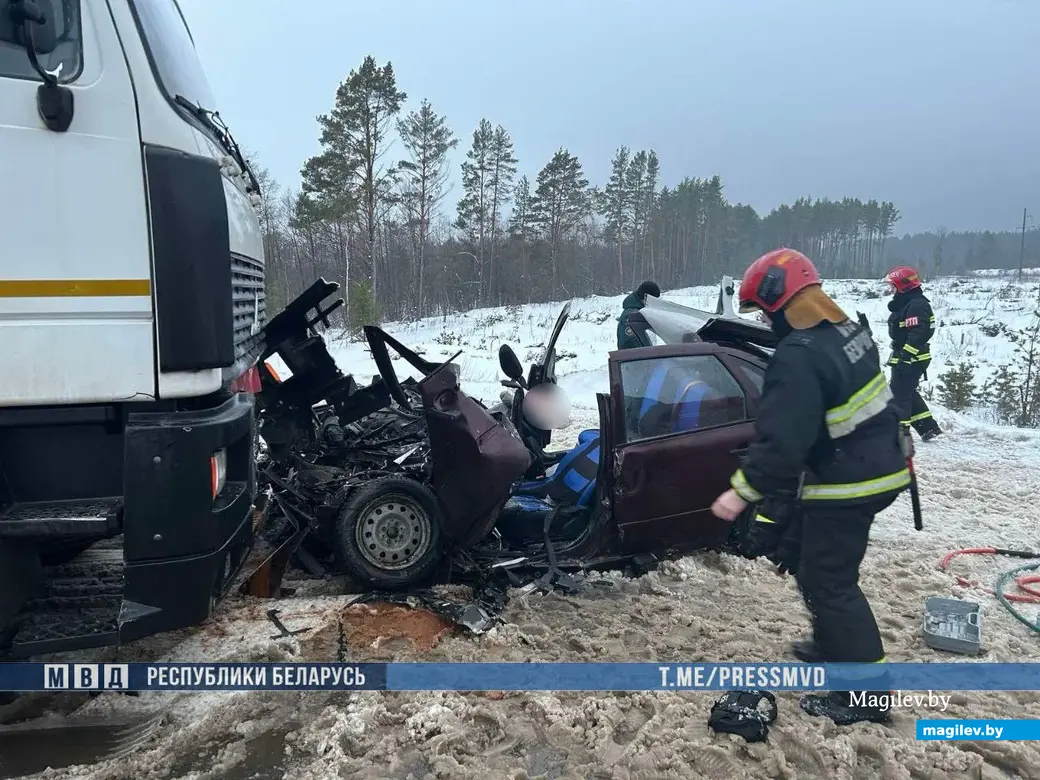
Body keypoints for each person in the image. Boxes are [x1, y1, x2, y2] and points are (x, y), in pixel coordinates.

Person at [710, 247, 912, 726]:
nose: (765, 319)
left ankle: (867, 698)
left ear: (781, 302)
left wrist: (740, 491)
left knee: (832, 582)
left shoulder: (798, 356)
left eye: (764, 310)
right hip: (877, 462)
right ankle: (831, 645)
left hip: (850, 481)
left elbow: (782, 443)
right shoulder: (847, 331)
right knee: (809, 563)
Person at [884, 266, 942, 441]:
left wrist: (907, 356)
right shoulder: (907, 303)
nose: (891, 289)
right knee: (906, 391)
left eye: (893, 286)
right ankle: (928, 428)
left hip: (913, 358)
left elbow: (919, 333)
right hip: (906, 356)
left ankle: (900, 434)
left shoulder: (917, 305)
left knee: (899, 395)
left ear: (903, 286)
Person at [616, 281, 660, 349]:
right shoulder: (631, 316)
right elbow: (629, 346)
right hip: (637, 358)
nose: (654, 303)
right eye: (653, 300)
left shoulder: (641, 312)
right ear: (645, 298)